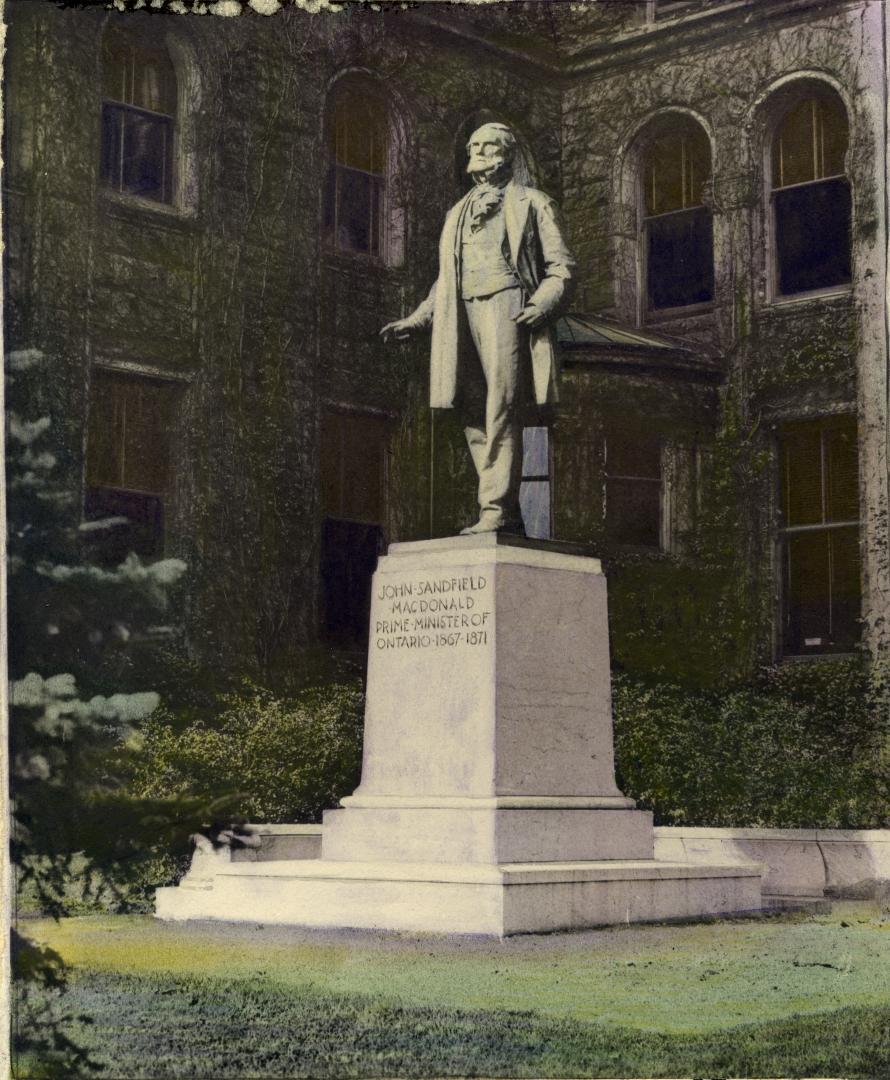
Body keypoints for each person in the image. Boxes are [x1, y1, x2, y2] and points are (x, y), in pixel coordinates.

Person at [380, 121, 576, 535]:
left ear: (507, 153)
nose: (479, 152)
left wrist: (542, 303)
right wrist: (418, 319)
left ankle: (495, 509)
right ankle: (508, 512)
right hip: (459, 313)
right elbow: (445, 279)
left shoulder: (534, 202)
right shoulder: (458, 212)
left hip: (509, 304)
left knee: (502, 407)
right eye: (474, 146)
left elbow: (562, 269)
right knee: (471, 409)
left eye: (488, 146)